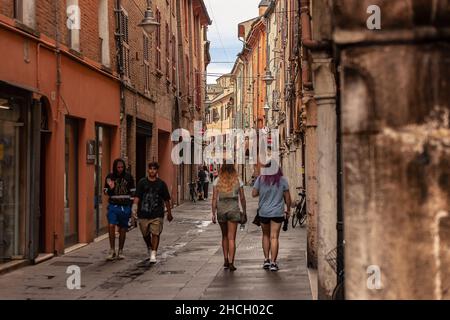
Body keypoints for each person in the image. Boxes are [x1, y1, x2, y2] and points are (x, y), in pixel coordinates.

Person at [252, 164, 291, 272]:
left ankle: (266, 260)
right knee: (274, 237)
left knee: (265, 235)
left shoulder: (261, 179)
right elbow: (288, 197)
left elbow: (254, 193)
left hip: (263, 212)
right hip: (277, 212)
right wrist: (288, 210)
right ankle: (273, 263)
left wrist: (264, 191)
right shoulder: (282, 180)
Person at [132, 162, 173, 263]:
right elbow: (137, 196)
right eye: (150, 169)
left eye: (154, 169)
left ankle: (153, 253)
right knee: (145, 234)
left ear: (157, 170)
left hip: (157, 214)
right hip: (143, 214)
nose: (152, 171)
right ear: (148, 170)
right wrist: (134, 207)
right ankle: (149, 246)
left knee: (155, 233)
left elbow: (166, 199)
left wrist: (169, 213)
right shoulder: (142, 182)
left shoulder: (161, 184)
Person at [211, 164, 246, 271]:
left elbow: (214, 198)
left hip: (221, 210)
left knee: (224, 236)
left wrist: (213, 213)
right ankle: (231, 262)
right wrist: (244, 211)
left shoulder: (217, 180)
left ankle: (225, 259)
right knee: (232, 238)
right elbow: (242, 198)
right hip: (233, 210)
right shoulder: (237, 180)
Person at [104, 158, 135, 261]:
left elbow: (133, 192)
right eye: (118, 167)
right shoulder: (110, 177)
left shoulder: (129, 177)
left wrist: (131, 207)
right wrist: (110, 188)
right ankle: (112, 250)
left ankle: (120, 251)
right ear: (115, 167)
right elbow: (105, 191)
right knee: (111, 225)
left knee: (123, 228)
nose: (120, 169)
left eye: (122, 167)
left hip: (125, 206)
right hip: (113, 205)